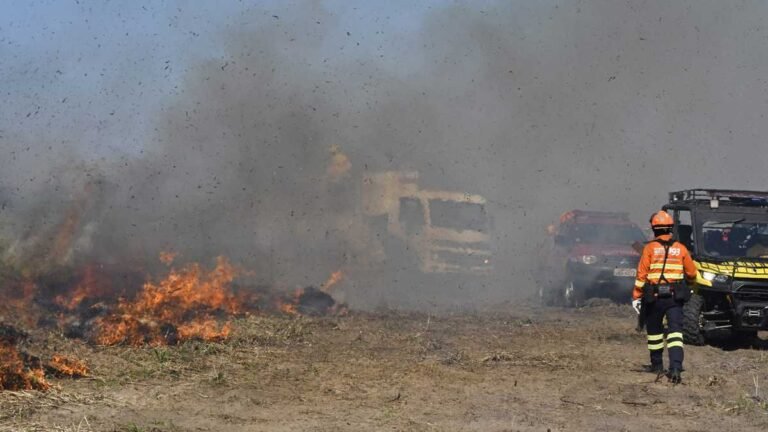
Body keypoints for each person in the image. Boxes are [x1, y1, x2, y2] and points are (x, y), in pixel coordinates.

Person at [631, 211, 697, 384]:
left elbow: (641, 275)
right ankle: (675, 367)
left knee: (654, 333)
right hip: (675, 299)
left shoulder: (650, 249)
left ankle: (657, 365)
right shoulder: (681, 248)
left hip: (654, 297)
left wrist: (636, 297)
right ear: (671, 228)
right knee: (675, 332)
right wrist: (689, 284)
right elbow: (692, 273)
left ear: (654, 229)